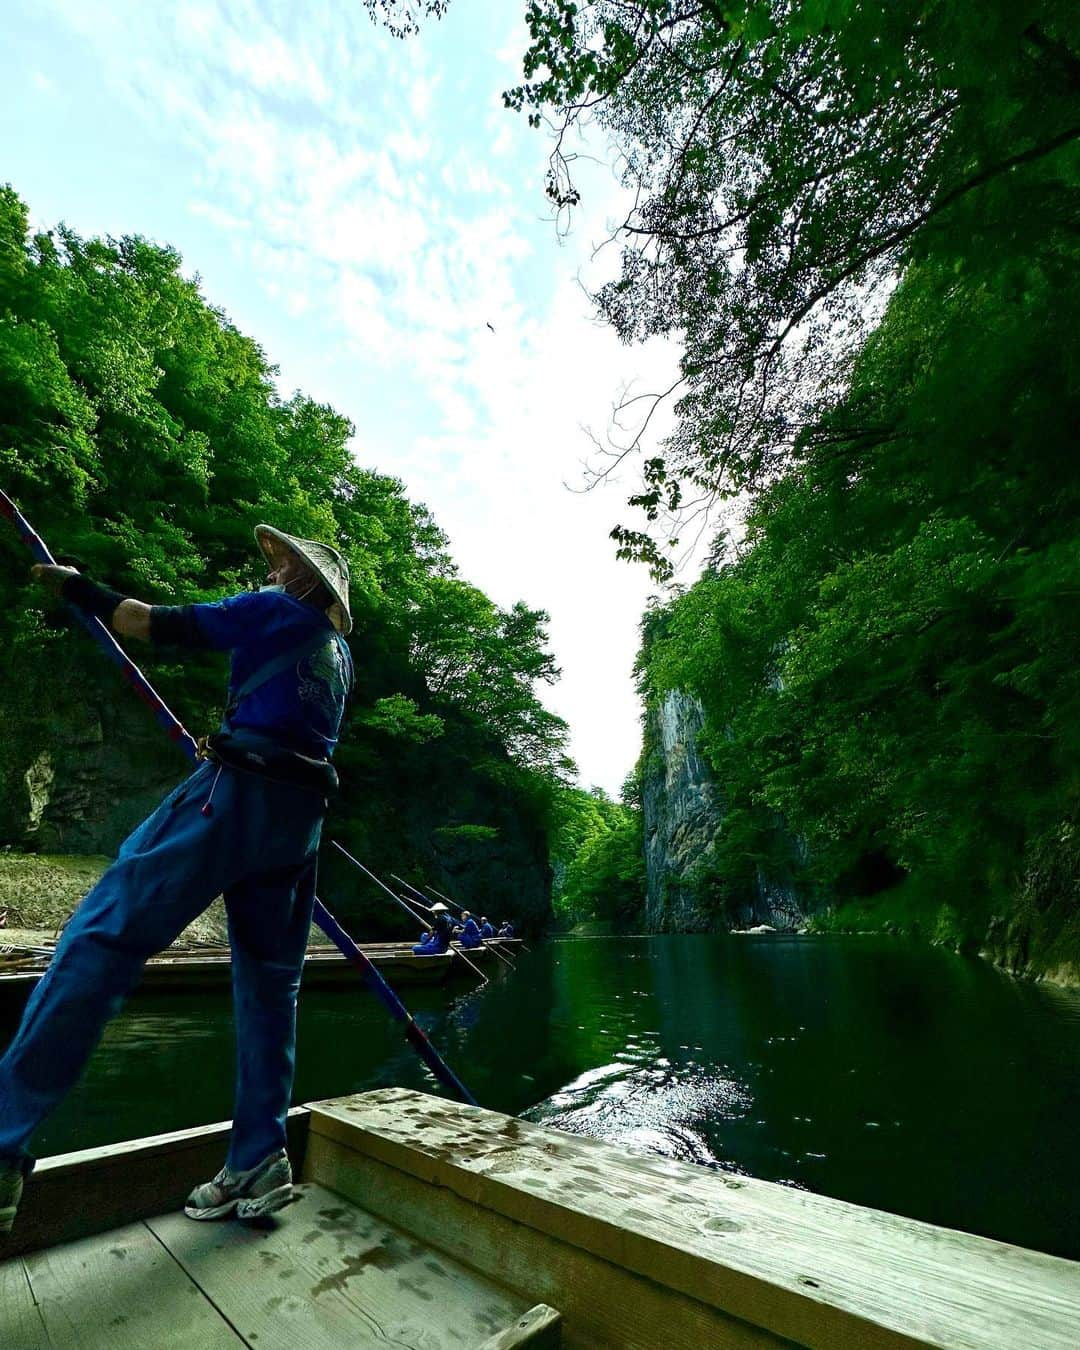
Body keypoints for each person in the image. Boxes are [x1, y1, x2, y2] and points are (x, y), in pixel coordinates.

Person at [0, 525, 353, 1235]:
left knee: (100, 940)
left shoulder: (274, 609)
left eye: (287, 563)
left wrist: (77, 587)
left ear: (308, 582)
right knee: (269, 988)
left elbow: (150, 625)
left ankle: (2, 1142)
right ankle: (259, 1157)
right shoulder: (340, 654)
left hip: (233, 800)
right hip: (298, 821)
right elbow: (288, 722)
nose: (275, 567)